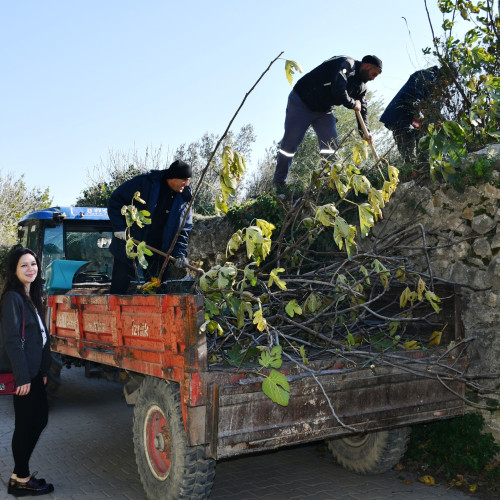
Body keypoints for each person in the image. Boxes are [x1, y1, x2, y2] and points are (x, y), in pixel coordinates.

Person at [273, 55, 383, 188]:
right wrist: (353, 103)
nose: (373, 78)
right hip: (302, 102)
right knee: (290, 144)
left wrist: (365, 133)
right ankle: (279, 182)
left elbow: (362, 108)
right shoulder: (346, 64)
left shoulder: (362, 86)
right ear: (366, 66)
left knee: (331, 147)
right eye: (373, 74)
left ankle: (329, 185)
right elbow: (338, 89)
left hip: (324, 111)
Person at [0, 247, 54, 497]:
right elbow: (12, 340)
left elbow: (41, 337)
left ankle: (17, 475)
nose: (31, 268)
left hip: (34, 372)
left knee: (39, 419)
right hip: (24, 375)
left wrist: (43, 370)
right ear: (14, 270)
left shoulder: (32, 295)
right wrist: (22, 377)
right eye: (24, 265)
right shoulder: (13, 297)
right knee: (24, 425)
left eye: (33, 264)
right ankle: (21, 479)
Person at [107, 159, 193, 294]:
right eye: (184, 179)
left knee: (158, 291)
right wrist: (119, 227)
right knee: (119, 289)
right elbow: (116, 200)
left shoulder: (184, 198)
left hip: (158, 253)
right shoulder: (145, 182)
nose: (187, 184)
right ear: (173, 177)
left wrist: (180, 253)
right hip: (130, 245)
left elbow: (183, 229)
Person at [380, 66, 441, 163]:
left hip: (416, 122)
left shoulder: (438, 87)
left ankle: (422, 170)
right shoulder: (426, 75)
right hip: (401, 117)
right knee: (408, 155)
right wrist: (419, 112)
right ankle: (411, 173)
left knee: (424, 156)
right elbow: (412, 96)